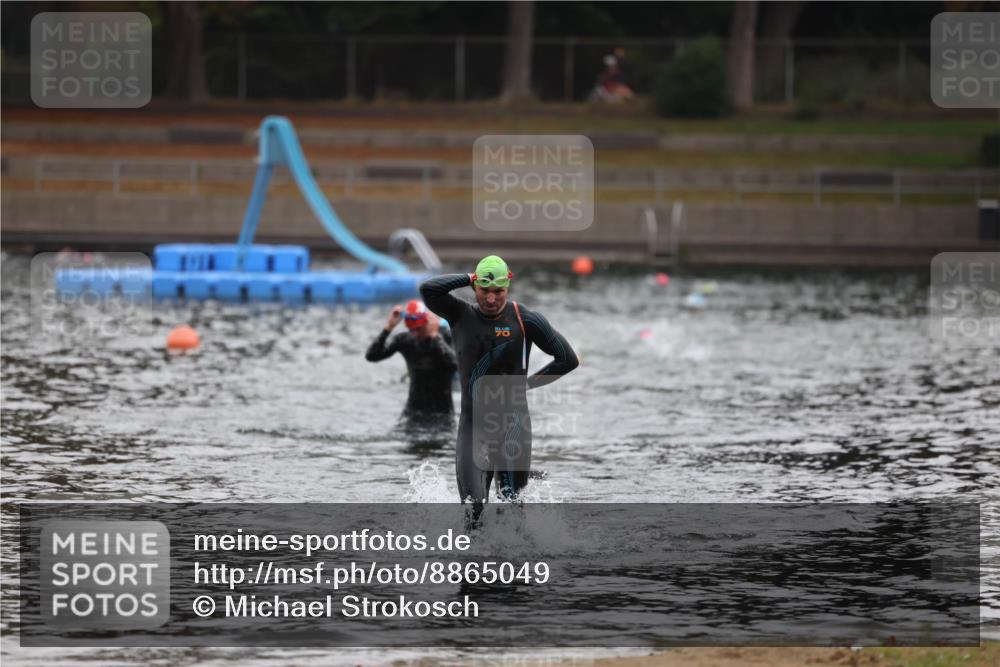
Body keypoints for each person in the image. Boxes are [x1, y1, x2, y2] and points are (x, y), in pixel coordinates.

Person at [420, 256, 579, 508]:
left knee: (512, 510)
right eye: (485, 290)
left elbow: (567, 360)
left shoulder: (526, 319)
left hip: (515, 427)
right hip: (473, 428)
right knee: (473, 507)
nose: (491, 298)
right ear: (475, 287)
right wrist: (469, 277)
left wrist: (528, 384)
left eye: (498, 291)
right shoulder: (460, 314)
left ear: (508, 286)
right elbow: (429, 289)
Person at [365, 299, 457, 429]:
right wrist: (388, 327)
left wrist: (435, 337)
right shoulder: (405, 340)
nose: (415, 334)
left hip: (442, 415)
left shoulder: (445, 336)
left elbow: (456, 365)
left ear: (427, 322)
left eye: (418, 329)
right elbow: (372, 356)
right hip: (413, 413)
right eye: (411, 329)